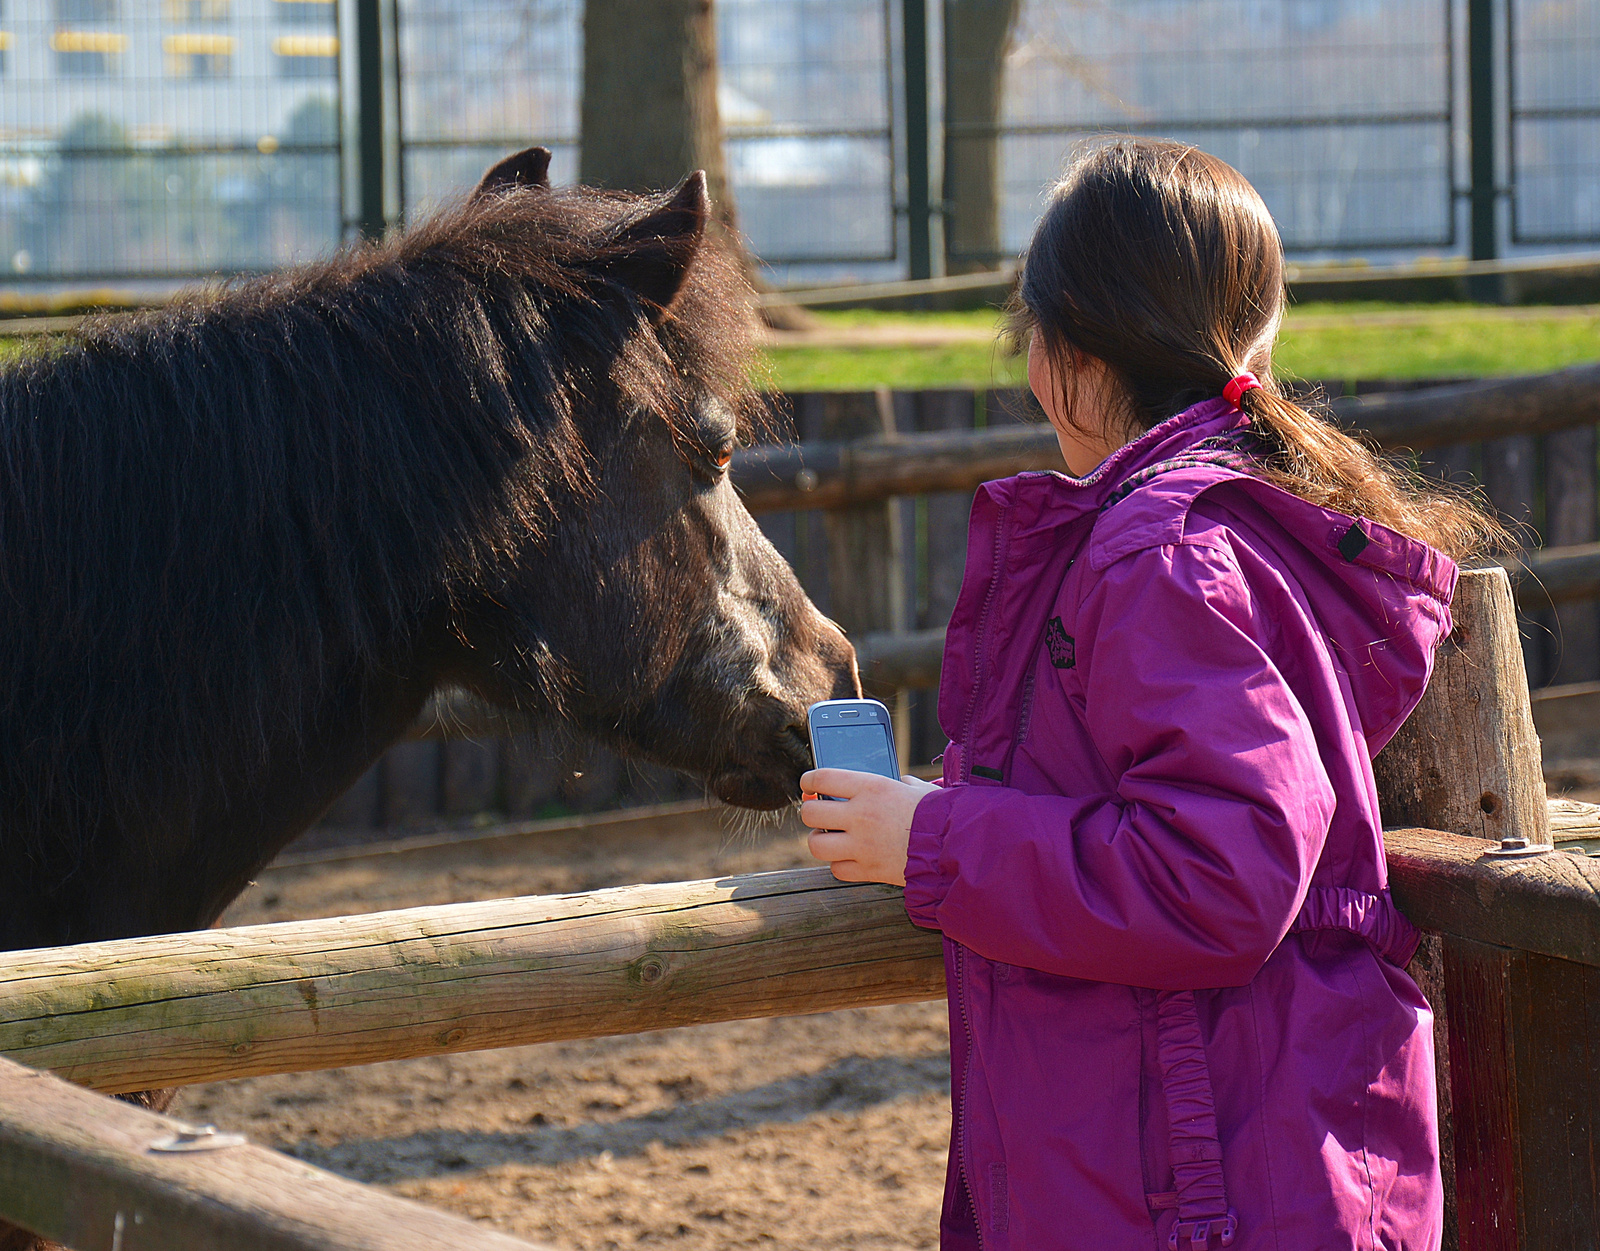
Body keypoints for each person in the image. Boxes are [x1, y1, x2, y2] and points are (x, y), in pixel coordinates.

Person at [799, 138, 1503, 1250]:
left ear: (1055, 347)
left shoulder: (1156, 555)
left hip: (1191, 1187)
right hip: (1257, 1151)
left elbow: (1219, 870)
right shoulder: (1247, 527)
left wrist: (933, 839)